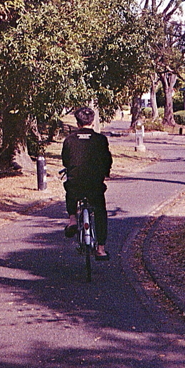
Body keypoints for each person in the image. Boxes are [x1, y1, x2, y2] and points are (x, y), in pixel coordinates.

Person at [62, 105, 112, 260]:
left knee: (70, 190)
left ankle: (72, 220)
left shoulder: (69, 140)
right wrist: (105, 173)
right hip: (94, 184)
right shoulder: (100, 140)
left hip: (76, 182)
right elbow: (107, 160)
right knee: (100, 211)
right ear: (92, 122)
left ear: (77, 123)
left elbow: (65, 160)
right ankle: (101, 249)